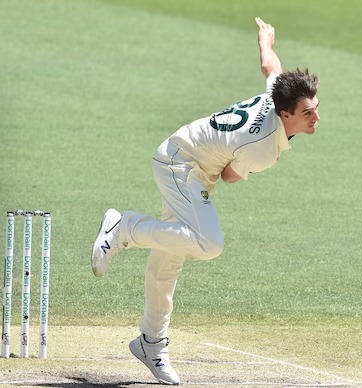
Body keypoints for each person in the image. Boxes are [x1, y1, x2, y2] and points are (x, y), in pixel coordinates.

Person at [90, 17, 320, 385]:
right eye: (307, 112)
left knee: (170, 258)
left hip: (190, 161)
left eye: (316, 108)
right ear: (285, 113)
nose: (315, 117)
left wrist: (266, 40)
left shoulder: (279, 92)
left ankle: (151, 342)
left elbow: (271, 67)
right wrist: (228, 162)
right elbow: (229, 175)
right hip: (179, 164)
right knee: (208, 243)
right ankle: (125, 228)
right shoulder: (263, 148)